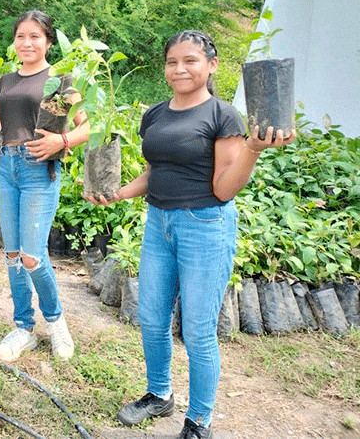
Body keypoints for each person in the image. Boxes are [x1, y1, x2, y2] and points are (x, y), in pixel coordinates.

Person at [84, 30, 296, 438]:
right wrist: (119, 193)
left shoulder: (223, 115)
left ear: (211, 65)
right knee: (150, 317)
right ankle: (159, 394)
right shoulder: (156, 115)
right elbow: (155, 170)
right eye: (172, 62)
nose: (179, 69)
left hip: (205, 225)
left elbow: (223, 188)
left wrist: (251, 149)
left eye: (190, 61)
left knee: (198, 330)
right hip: (158, 223)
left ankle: (200, 419)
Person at [0, 10, 89, 361]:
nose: (27, 42)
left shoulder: (62, 79)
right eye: (21, 36)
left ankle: (56, 322)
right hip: (6, 166)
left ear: (48, 41)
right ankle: (23, 327)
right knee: (13, 255)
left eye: (35, 36)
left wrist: (60, 143)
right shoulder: (5, 81)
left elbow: (87, 126)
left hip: (39, 169)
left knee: (33, 257)